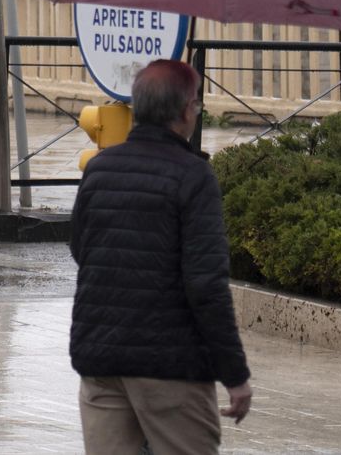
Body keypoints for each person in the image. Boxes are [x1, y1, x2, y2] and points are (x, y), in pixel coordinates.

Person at [69, 59, 253, 454]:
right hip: (171, 369)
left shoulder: (99, 169)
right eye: (197, 104)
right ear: (187, 110)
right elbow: (206, 285)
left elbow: (81, 251)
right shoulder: (194, 177)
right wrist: (235, 375)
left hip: (102, 361)